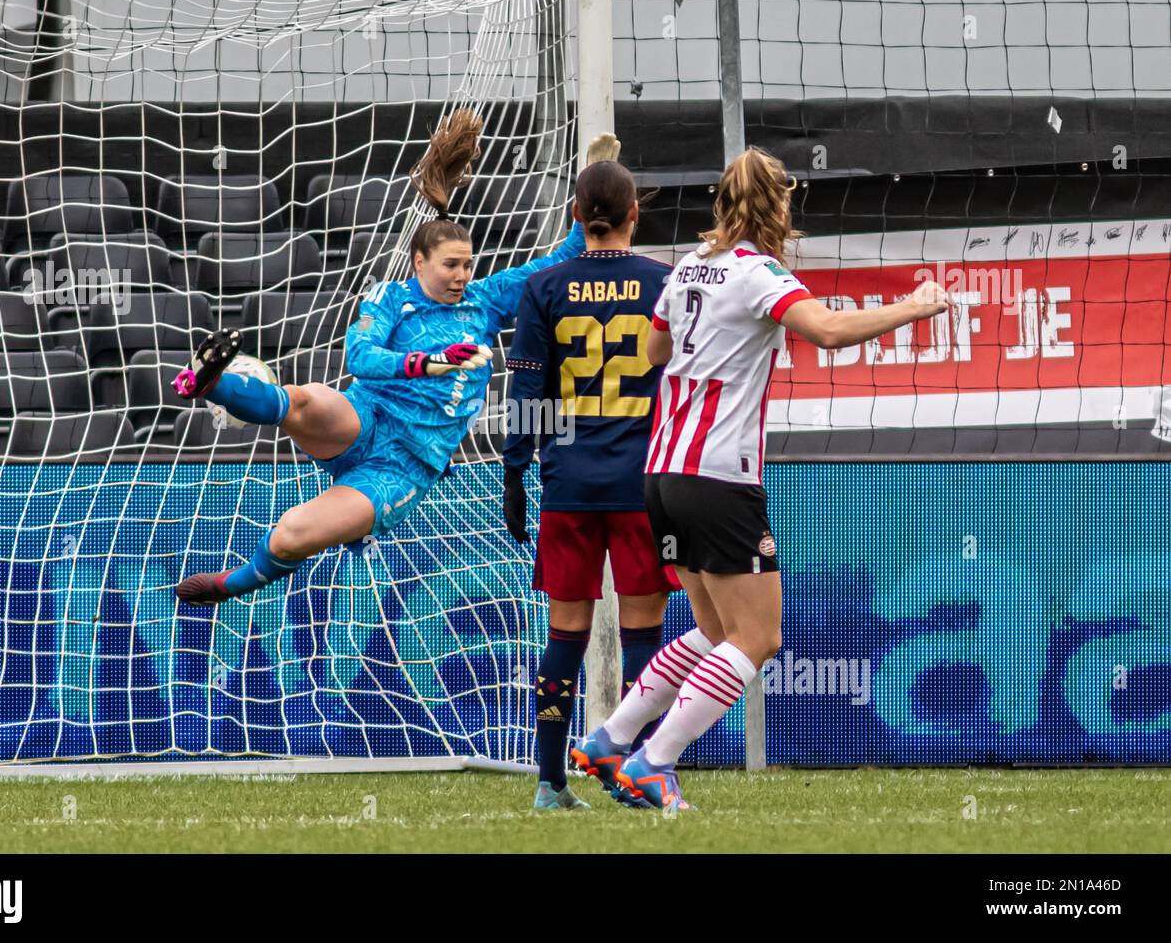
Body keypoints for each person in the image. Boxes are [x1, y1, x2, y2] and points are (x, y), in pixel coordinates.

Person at [572, 146, 951, 809]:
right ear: (778, 206)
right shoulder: (755, 272)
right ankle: (654, 762)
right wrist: (915, 307)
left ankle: (611, 736)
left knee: (719, 632)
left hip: (662, 473)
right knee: (760, 637)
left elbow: (655, 350)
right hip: (719, 477)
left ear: (721, 202)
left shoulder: (689, 266)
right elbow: (828, 332)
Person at [171, 112, 612, 606]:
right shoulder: (390, 298)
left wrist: (588, 202)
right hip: (366, 416)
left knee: (292, 533)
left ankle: (230, 585)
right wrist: (428, 363)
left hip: (404, 465)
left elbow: (557, 262)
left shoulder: (484, 301)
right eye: (450, 265)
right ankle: (209, 384)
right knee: (309, 401)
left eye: (467, 264)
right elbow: (359, 356)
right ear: (419, 262)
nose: (461, 274)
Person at [502, 157, 675, 810]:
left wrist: (517, 472)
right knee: (644, 641)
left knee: (564, 639)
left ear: (576, 217)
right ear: (636, 213)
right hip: (643, 485)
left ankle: (550, 782)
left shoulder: (545, 288)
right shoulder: (664, 282)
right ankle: (641, 774)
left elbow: (529, 389)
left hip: (569, 482)